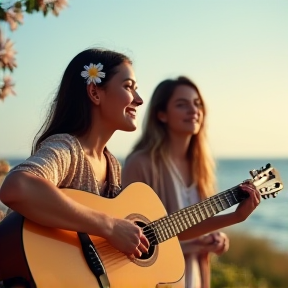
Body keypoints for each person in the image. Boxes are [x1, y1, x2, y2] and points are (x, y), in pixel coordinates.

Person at [0, 48, 149, 286]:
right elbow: (16, 187)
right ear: (94, 92)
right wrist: (109, 226)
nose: (139, 99)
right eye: (128, 86)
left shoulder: (112, 165)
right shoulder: (66, 148)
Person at [122, 76, 260, 288]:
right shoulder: (140, 163)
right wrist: (231, 219)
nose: (193, 110)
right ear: (161, 114)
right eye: (181, 104)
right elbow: (134, 242)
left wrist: (214, 240)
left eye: (197, 104)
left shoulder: (201, 167)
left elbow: (200, 228)